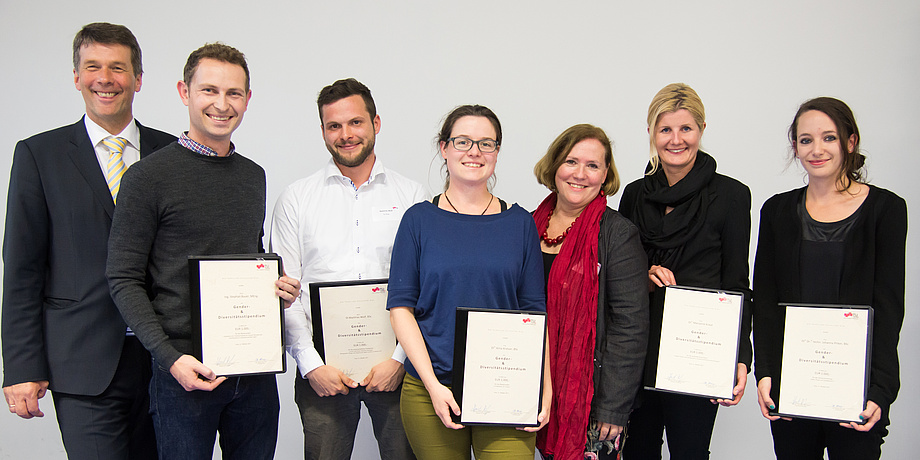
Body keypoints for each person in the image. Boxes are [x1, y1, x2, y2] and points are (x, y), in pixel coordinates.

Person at [105, 43, 301, 459]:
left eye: (233, 93)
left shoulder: (252, 176)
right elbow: (122, 278)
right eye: (209, 90)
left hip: (254, 370)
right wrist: (169, 357)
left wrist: (276, 287)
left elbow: (247, 255)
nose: (221, 104)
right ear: (184, 92)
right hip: (184, 372)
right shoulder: (147, 178)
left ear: (247, 100)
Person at [1, 22, 175, 459]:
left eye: (118, 67)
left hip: (168, 362)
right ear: (76, 77)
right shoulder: (39, 156)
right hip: (83, 364)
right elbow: (22, 270)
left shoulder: (174, 154)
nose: (105, 78)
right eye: (93, 66)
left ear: (137, 78)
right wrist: (21, 367)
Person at [270, 78, 426, 460]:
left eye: (355, 122)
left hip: (395, 363)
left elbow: (423, 288)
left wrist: (398, 360)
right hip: (322, 367)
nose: (345, 135)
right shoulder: (296, 198)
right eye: (333, 126)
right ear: (323, 130)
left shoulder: (412, 197)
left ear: (376, 123)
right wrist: (309, 364)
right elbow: (286, 291)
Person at [387, 105, 550, 460]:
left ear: (496, 152)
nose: (474, 151)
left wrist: (545, 388)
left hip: (506, 387)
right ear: (443, 148)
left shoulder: (520, 223)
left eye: (486, 143)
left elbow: (535, 314)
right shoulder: (417, 221)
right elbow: (401, 308)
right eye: (462, 141)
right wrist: (432, 386)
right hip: (431, 388)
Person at [753, 97, 906, 460]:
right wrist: (766, 372)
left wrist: (880, 390)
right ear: (796, 147)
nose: (816, 150)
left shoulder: (886, 210)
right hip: (792, 389)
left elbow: (888, 306)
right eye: (806, 140)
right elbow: (766, 300)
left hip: (856, 389)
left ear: (850, 143)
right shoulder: (776, 211)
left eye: (829, 138)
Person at [618, 83, 752, 459]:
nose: (676, 140)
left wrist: (741, 354)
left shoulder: (731, 195)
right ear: (651, 133)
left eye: (686, 129)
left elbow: (737, 282)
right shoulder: (633, 195)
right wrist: (641, 278)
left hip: (699, 351)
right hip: (639, 348)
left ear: (702, 130)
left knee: (690, 452)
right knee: (637, 451)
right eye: (665, 130)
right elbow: (619, 273)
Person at [532, 124, 649, 460]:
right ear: (555, 166)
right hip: (530, 388)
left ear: (605, 174)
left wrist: (613, 407)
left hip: (592, 400)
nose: (580, 174)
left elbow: (631, 326)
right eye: (571, 162)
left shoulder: (618, 235)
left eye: (593, 165)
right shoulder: (526, 226)